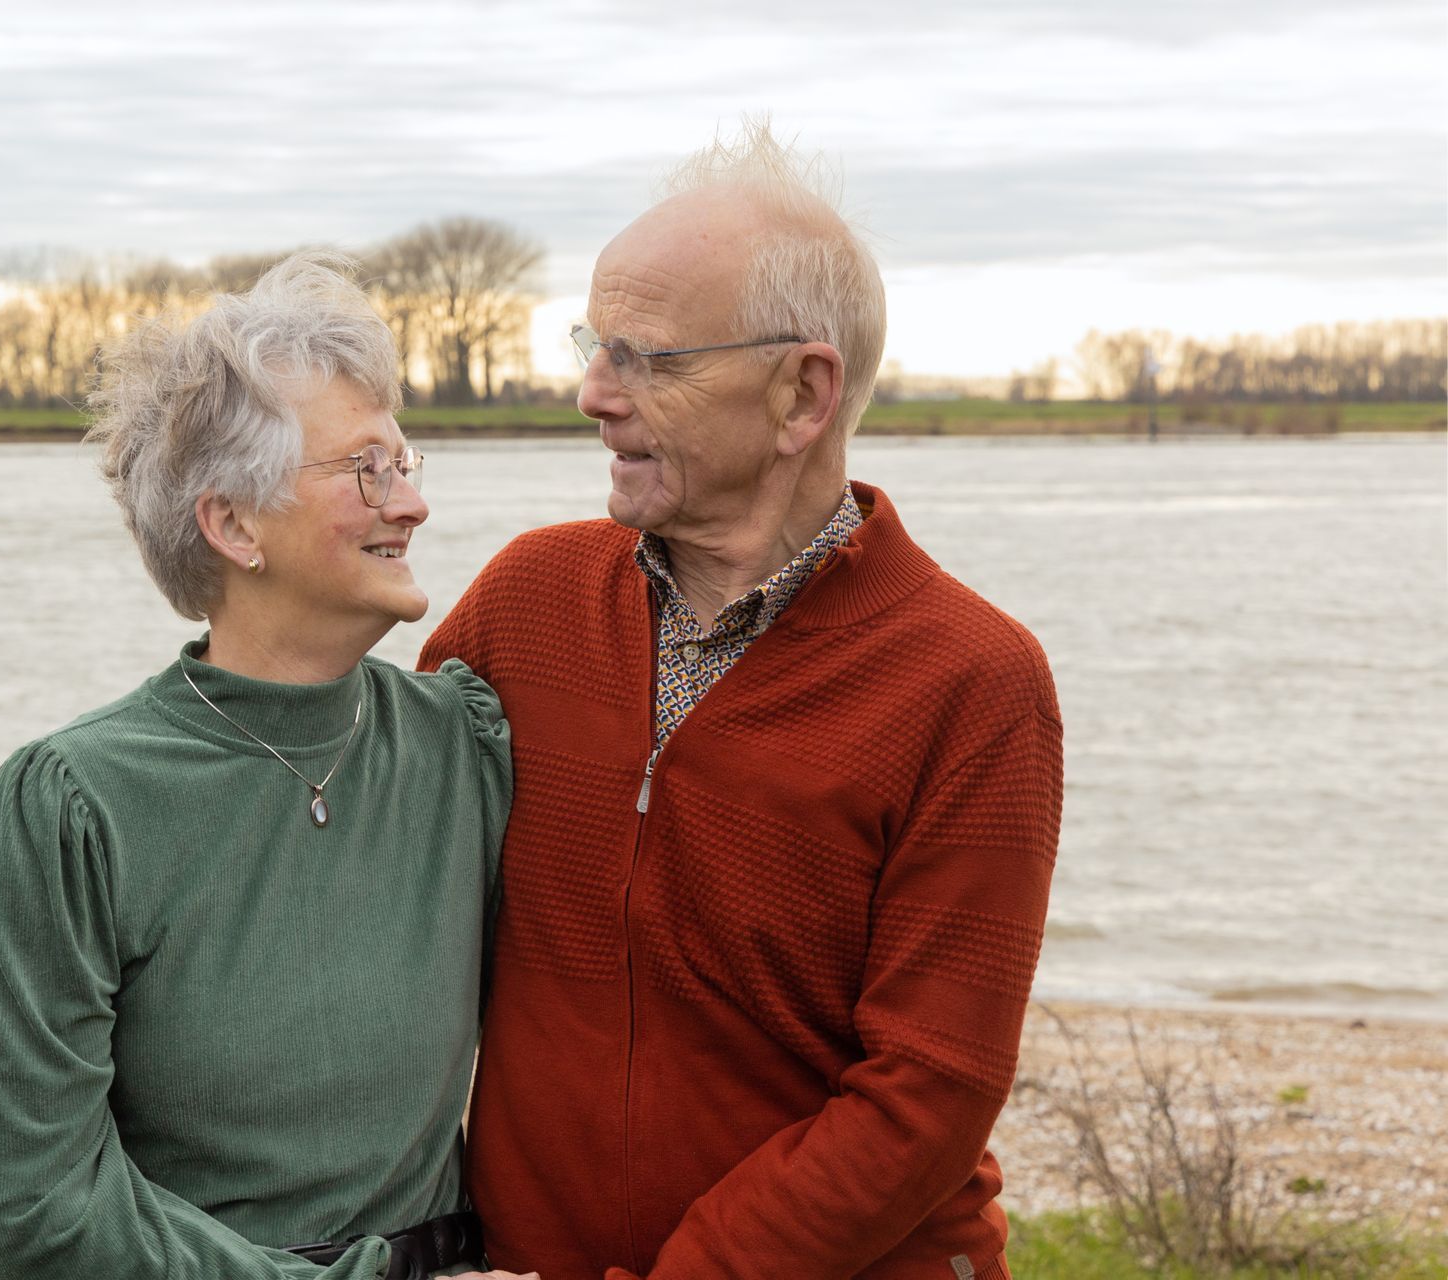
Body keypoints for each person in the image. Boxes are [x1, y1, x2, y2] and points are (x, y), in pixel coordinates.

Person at [420, 123, 1064, 1279]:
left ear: (800, 394)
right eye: (594, 346)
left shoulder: (973, 680)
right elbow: (371, 882)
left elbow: (929, 1087)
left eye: (645, 358)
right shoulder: (523, 602)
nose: (592, 394)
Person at [0, 254, 528, 1280]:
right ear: (232, 523)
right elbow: (38, 1212)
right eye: (367, 468)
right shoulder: (74, 807)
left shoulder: (464, 746)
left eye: (406, 461)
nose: (411, 504)